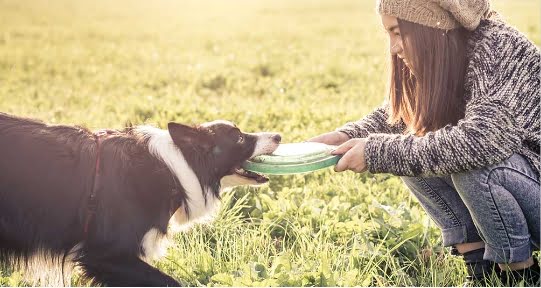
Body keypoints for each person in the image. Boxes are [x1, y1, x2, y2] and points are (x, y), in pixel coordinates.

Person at [309, 0, 540, 285]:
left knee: (475, 167)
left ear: (430, 26)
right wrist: (347, 135)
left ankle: (520, 274)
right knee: (412, 148)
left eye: (397, 32)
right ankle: (481, 272)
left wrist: (377, 152)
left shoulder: (500, 49)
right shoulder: (447, 51)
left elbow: (480, 142)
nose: (393, 48)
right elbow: (405, 115)